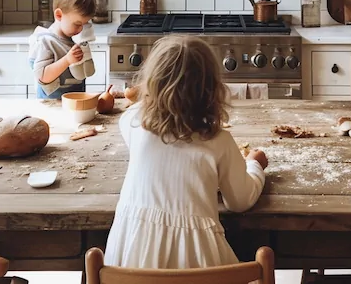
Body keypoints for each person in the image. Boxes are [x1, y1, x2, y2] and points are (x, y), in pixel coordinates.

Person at [104, 35, 268, 269]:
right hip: (200, 266)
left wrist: (155, 86)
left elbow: (139, 107)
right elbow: (239, 201)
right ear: (212, 91)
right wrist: (254, 165)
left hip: (130, 262)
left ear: (151, 84)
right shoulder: (219, 142)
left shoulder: (133, 123)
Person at [28, 0, 96, 99]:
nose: (80, 29)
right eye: (77, 24)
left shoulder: (73, 39)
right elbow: (42, 76)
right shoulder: (45, 42)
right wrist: (67, 60)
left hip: (72, 103)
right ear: (59, 15)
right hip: (51, 105)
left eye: (84, 24)